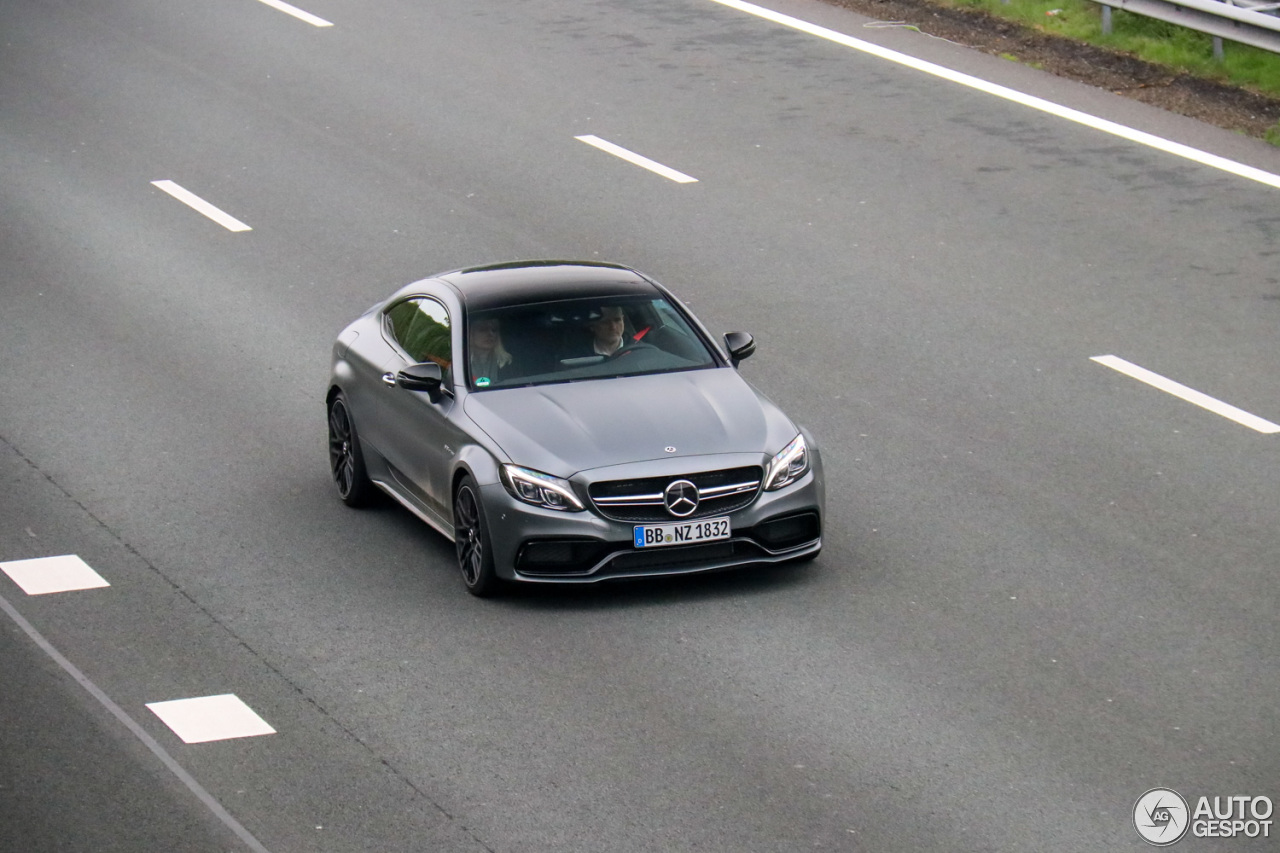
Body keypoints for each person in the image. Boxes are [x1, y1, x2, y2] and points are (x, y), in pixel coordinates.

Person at [468, 316, 512, 386]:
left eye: (494, 330)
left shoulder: (507, 362)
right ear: (471, 334)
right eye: (483, 329)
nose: (490, 334)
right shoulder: (461, 365)